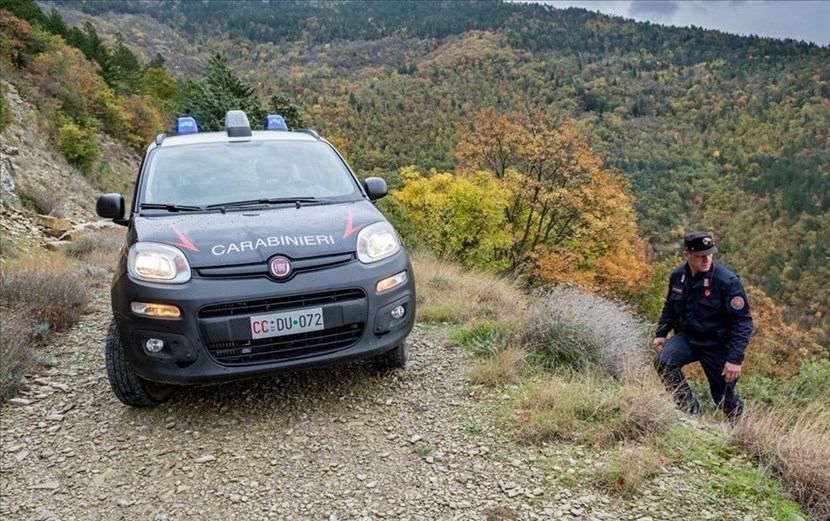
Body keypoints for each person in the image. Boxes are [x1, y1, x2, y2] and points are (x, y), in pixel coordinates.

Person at [653, 231, 754, 419]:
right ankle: (691, 415)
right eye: (700, 256)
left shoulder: (727, 281)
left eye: (710, 253)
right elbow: (670, 305)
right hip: (689, 337)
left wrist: (734, 359)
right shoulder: (678, 277)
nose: (706, 259)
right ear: (687, 255)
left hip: (717, 344)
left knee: (723, 398)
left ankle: (747, 429)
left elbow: (743, 323)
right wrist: (661, 332)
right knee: (664, 362)